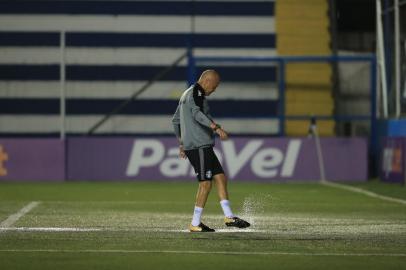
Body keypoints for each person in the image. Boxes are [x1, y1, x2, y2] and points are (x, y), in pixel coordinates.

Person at [172, 69, 250, 232]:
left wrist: (181, 143)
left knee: (220, 178)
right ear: (207, 81)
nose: (214, 90)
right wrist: (215, 127)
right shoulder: (196, 94)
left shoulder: (186, 93)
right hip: (199, 146)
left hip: (201, 145)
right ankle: (195, 223)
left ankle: (229, 217)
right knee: (205, 184)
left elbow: (176, 120)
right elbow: (196, 114)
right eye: (214, 86)